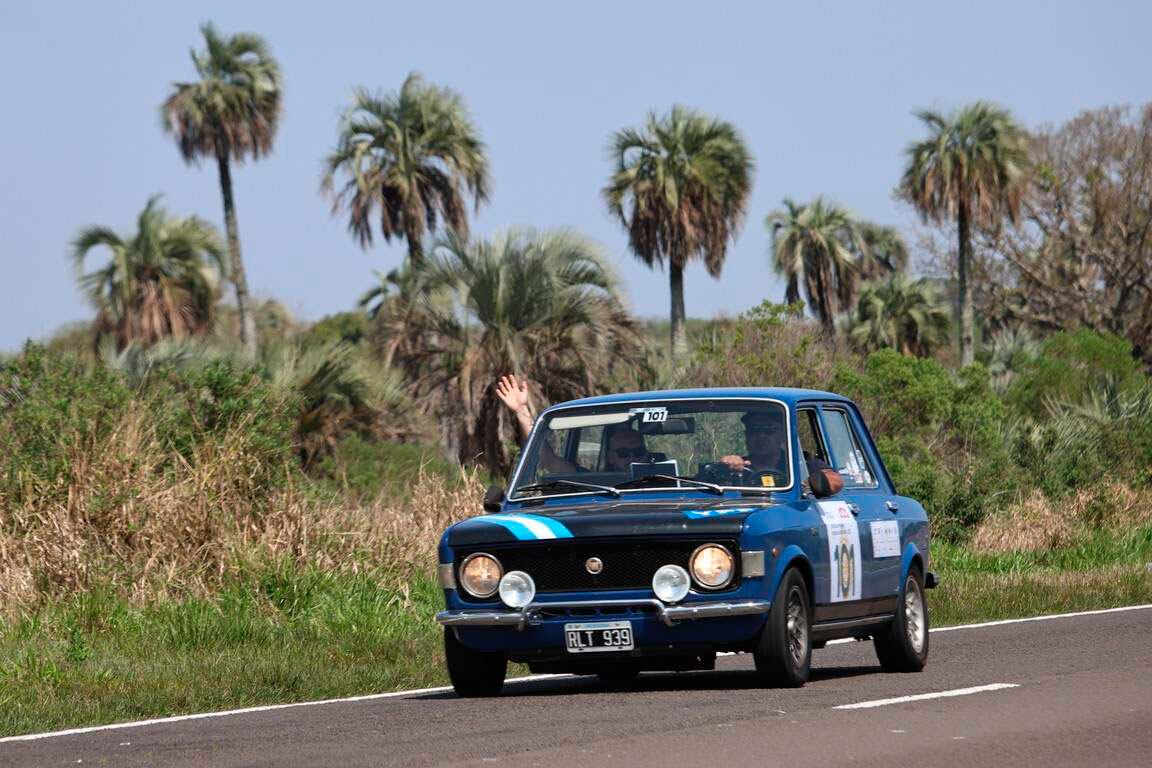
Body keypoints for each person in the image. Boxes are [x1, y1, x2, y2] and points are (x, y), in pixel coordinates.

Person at [495, 374, 650, 474]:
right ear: (611, 458)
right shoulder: (589, 484)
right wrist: (521, 410)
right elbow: (548, 459)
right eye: (623, 453)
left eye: (638, 452)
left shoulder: (664, 482)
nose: (632, 458)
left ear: (646, 454)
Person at [717, 409, 844, 495]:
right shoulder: (736, 467)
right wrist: (724, 467)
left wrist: (811, 483)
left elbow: (835, 483)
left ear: (782, 435)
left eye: (769, 430)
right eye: (754, 430)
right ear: (746, 436)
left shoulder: (802, 465)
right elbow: (708, 489)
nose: (761, 436)